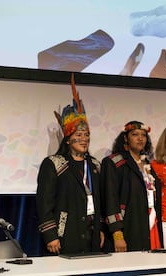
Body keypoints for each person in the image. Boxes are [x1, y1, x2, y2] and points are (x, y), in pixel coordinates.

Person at [36, 74, 104, 254]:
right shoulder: (54, 164)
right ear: (67, 139)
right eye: (79, 135)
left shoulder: (95, 166)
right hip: (65, 233)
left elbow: (101, 201)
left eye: (87, 135)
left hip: (92, 234)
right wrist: (51, 235)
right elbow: (44, 203)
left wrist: (101, 228)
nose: (84, 139)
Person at [101, 121, 163, 252]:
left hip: (150, 224)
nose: (140, 138)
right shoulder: (113, 162)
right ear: (125, 138)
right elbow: (110, 200)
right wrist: (117, 234)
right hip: (128, 226)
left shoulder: (147, 164)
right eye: (135, 134)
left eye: (143, 135)